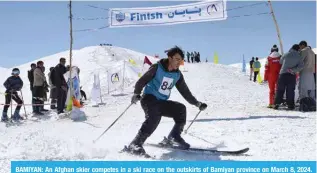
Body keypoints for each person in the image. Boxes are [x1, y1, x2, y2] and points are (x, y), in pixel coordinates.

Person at [125, 46, 207, 156]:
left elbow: (185, 92)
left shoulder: (177, 75)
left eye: (181, 60)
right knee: (155, 116)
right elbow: (142, 80)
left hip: (161, 102)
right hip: (149, 99)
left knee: (180, 109)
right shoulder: (157, 68)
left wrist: (197, 103)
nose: (179, 62)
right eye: (177, 59)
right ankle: (135, 144)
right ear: (170, 57)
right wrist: (136, 93)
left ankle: (174, 136)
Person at [273, 44, 304, 110]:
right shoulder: (299, 56)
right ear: (298, 49)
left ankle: (276, 104)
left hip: (283, 74)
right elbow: (301, 66)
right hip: (292, 75)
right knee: (290, 90)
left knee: (280, 89)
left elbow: (280, 62)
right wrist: (293, 70)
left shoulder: (286, 54)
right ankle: (290, 105)